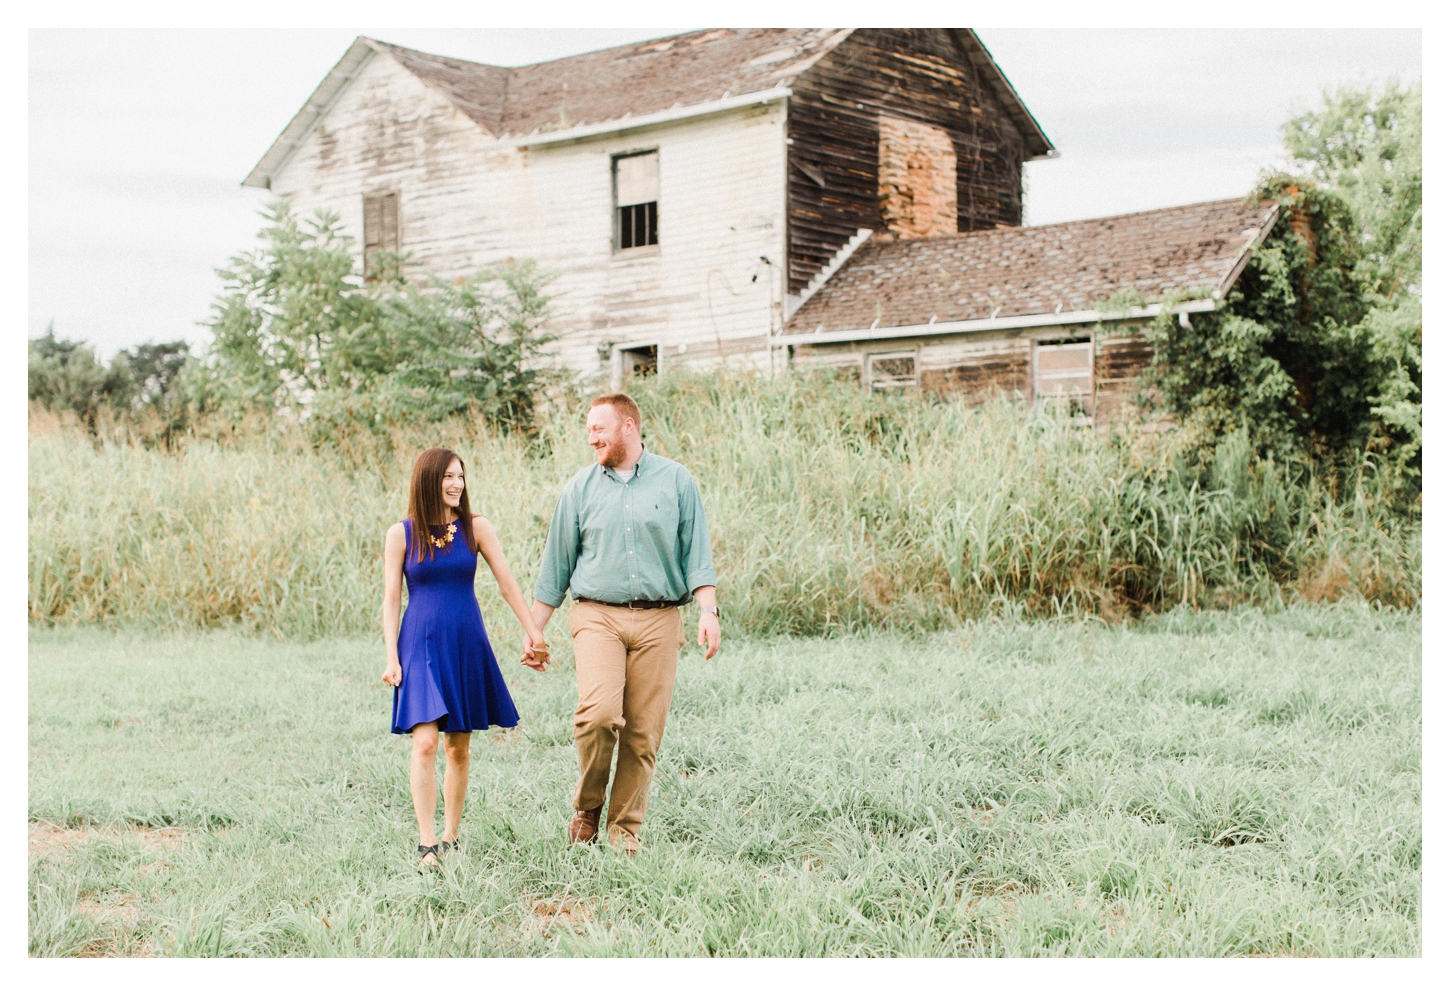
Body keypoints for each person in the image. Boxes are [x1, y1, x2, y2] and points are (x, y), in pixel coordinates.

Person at [525, 393, 720, 855]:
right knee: (599, 715)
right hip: (597, 615)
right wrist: (536, 631)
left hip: (660, 619)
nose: (591, 436)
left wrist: (708, 612)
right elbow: (555, 568)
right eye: (588, 429)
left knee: (642, 732)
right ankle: (588, 807)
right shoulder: (579, 489)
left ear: (628, 427)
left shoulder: (676, 481)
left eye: (599, 428)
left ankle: (624, 830)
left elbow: (698, 555)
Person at [382, 447, 548, 869]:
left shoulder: (476, 528)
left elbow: (507, 583)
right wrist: (390, 656)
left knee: (458, 748)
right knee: (424, 743)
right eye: (448, 477)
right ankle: (426, 845)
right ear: (428, 480)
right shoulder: (400, 534)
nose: (457, 484)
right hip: (418, 643)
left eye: (461, 476)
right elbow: (391, 599)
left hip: (465, 641)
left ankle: (451, 835)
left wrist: (534, 632)